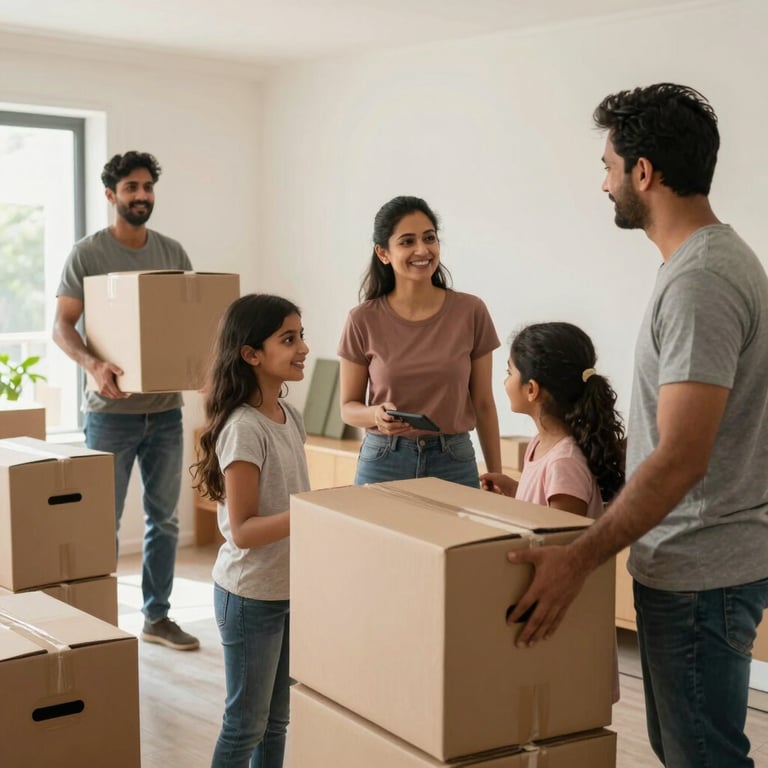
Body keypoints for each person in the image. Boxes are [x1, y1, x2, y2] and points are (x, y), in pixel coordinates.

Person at [507, 83, 768, 768]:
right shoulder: (704, 265)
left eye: (608, 166)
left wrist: (579, 558)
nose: (604, 183)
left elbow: (683, 455)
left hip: (701, 573)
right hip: (701, 567)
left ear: (643, 172)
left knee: (701, 757)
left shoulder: (700, 282)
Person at [53, 151, 199, 651]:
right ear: (111, 195)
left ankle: (157, 618)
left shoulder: (173, 253)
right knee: (103, 523)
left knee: (166, 520)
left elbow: (188, 325)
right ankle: (98, 623)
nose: (141, 196)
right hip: (109, 417)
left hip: (165, 414)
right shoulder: (87, 254)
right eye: (131, 187)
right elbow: (61, 327)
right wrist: (94, 366)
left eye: (147, 187)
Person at [191, 294, 310, 768]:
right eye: (288, 338)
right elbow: (241, 531)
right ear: (251, 354)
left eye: (301, 336)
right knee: (245, 725)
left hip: (286, 589)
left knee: (275, 722)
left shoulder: (289, 415)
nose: (302, 348)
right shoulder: (244, 428)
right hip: (250, 596)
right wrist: (311, 514)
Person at [481, 321, 624, 703]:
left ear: (532, 390)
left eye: (509, 372)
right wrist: (516, 491)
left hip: (564, 614)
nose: (504, 381)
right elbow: (543, 512)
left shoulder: (563, 462)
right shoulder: (540, 446)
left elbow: (564, 545)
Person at [337, 195, 502, 487]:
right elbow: (348, 408)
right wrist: (376, 415)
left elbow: (484, 403)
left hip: (454, 460)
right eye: (407, 241)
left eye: (429, 238)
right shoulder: (362, 319)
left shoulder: (471, 311)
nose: (422, 250)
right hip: (384, 461)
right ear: (383, 253)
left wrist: (497, 472)